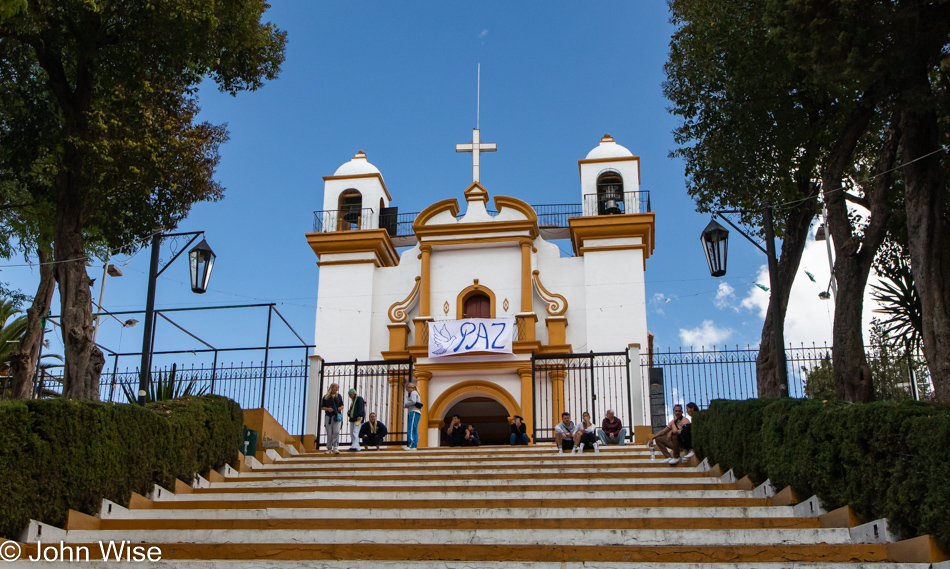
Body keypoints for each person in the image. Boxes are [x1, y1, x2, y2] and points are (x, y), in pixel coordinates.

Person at [320, 382, 344, 454]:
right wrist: (327, 409)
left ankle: (335, 447)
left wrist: (340, 408)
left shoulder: (339, 396)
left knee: (336, 431)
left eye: (337, 387)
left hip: (337, 416)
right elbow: (322, 407)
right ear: (332, 387)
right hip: (328, 416)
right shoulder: (326, 397)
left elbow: (342, 405)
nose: (337, 389)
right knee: (329, 433)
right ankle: (329, 448)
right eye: (336, 387)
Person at [403, 382, 421, 450]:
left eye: (407, 389)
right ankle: (414, 444)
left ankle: (411, 445)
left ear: (409, 388)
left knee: (411, 428)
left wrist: (406, 403)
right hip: (416, 412)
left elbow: (413, 401)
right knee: (415, 429)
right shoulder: (416, 393)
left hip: (413, 412)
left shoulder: (413, 393)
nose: (407, 391)